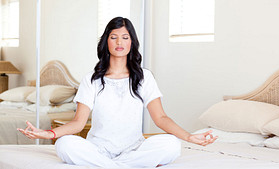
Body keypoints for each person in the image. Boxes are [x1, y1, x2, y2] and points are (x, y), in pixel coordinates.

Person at [17, 17, 217, 168]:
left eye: (125, 37)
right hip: (98, 149)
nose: (119, 41)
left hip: (134, 148)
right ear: (107, 42)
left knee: (171, 145)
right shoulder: (92, 79)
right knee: (65, 145)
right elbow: (78, 123)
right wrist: (48, 133)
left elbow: (161, 118)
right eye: (113, 37)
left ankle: (111, 166)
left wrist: (189, 137)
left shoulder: (144, 77)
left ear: (131, 43)